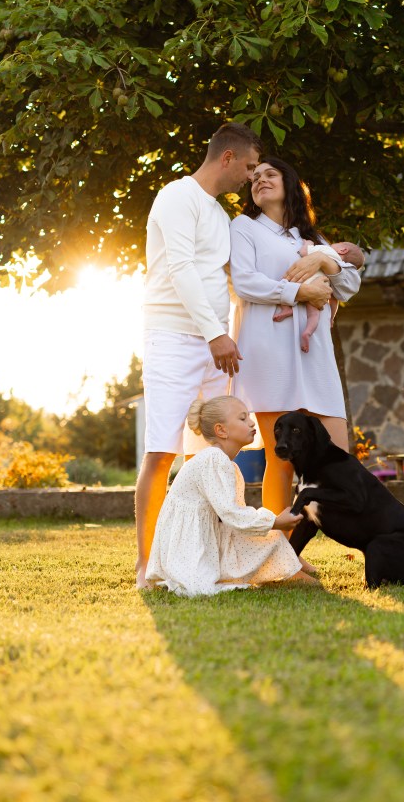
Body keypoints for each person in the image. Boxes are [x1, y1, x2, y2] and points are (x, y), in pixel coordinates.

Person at [135, 123, 262, 589]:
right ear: (227, 157)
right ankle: (146, 564)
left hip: (216, 346)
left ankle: (199, 558)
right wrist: (215, 334)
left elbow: (233, 274)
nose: (250, 176)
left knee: (211, 456)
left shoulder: (220, 214)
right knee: (162, 451)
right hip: (174, 338)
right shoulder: (176, 196)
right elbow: (181, 268)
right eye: (248, 166)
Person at [229, 157, 362, 519]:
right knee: (282, 460)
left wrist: (323, 262)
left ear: (289, 183)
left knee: (337, 454)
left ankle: (352, 534)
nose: (260, 180)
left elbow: (350, 284)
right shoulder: (244, 227)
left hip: (314, 356)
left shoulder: (311, 238)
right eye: (255, 177)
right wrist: (299, 292)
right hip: (269, 353)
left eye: (270, 174)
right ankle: (279, 546)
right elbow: (245, 282)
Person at [144, 396, 318, 595]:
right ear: (221, 430)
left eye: (249, 417)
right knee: (269, 534)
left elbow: (232, 516)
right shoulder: (214, 459)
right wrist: (275, 521)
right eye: (243, 419)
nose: (251, 422)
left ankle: (289, 572)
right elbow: (231, 513)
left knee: (270, 538)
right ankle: (291, 574)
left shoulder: (224, 462)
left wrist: (269, 526)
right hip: (188, 545)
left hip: (209, 536)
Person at [273, 240, 365, 352]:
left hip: (302, 281)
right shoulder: (337, 267)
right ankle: (308, 332)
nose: (332, 244)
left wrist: (308, 243)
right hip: (320, 290)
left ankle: (286, 309)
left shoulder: (326, 250)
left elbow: (303, 252)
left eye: (338, 243)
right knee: (314, 315)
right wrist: (331, 318)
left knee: (285, 285)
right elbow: (334, 299)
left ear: (343, 250)